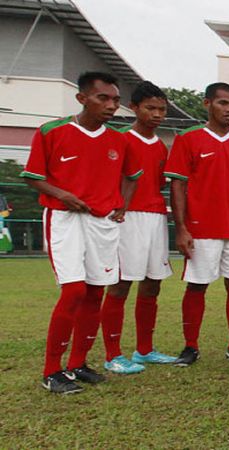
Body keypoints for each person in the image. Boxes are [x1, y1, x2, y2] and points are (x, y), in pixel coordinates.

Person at [22, 71, 141, 394]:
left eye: (115, 99)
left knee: (95, 292)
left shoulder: (119, 140)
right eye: (103, 98)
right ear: (82, 98)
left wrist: (123, 205)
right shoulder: (52, 131)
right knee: (73, 290)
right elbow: (32, 176)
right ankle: (51, 370)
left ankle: (78, 363)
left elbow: (133, 176)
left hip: (104, 222)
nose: (111, 105)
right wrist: (62, 194)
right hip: (65, 219)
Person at [163, 82, 229, 366]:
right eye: (223, 103)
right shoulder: (188, 139)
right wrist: (182, 228)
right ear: (207, 104)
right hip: (202, 228)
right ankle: (190, 347)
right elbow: (178, 185)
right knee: (197, 286)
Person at [98, 81, 177, 375]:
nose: (157, 114)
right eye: (150, 108)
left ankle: (144, 350)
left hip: (156, 217)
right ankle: (112, 354)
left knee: (153, 282)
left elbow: (158, 184)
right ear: (134, 108)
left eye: (161, 109)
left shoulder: (160, 145)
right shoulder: (118, 140)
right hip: (126, 219)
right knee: (120, 284)